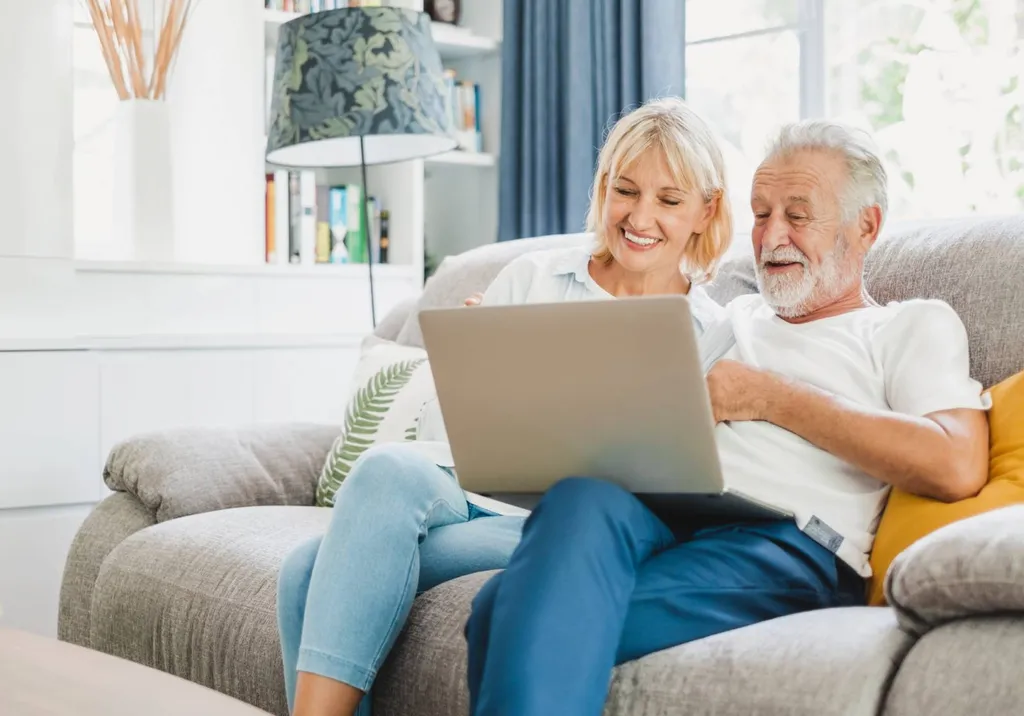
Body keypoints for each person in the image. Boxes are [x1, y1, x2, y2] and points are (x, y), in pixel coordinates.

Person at [463, 120, 992, 716]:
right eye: (762, 214)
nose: (772, 237)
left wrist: (768, 397)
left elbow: (956, 462)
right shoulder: (727, 318)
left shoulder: (906, 325)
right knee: (582, 496)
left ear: (865, 226)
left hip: (786, 542)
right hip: (669, 511)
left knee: (502, 611)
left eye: (798, 215)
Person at [276, 96, 734, 716]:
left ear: (706, 210)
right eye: (625, 190)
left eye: (669, 200)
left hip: (566, 530)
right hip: (480, 495)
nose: (640, 216)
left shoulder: (711, 333)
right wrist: (473, 374)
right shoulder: (534, 277)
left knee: (311, 568)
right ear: (604, 187)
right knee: (360, 502)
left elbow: (689, 476)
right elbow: (450, 442)